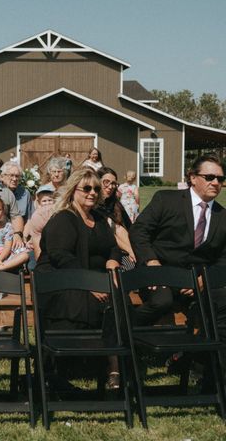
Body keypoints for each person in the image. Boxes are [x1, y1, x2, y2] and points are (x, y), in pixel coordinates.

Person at [35, 168, 122, 389]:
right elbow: (60, 255)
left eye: (96, 188)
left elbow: (113, 247)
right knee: (86, 304)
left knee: (118, 303)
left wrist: (113, 260)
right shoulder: (64, 218)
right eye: (86, 188)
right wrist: (89, 284)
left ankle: (115, 368)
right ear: (74, 190)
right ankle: (58, 369)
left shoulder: (99, 218)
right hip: (62, 279)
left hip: (96, 279)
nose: (92, 193)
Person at [129, 154, 226, 326]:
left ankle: (202, 350)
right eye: (209, 177)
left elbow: (223, 259)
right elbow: (139, 231)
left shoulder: (222, 216)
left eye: (220, 178)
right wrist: (152, 263)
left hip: (195, 281)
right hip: (159, 273)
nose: (216, 183)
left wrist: (205, 279)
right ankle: (123, 329)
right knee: (161, 302)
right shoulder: (166, 200)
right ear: (193, 178)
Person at [96, 167, 135, 266]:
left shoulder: (116, 204)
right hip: (109, 252)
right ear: (98, 181)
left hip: (125, 250)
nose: (110, 186)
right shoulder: (93, 206)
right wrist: (131, 251)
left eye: (113, 183)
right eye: (106, 182)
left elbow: (130, 228)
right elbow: (109, 235)